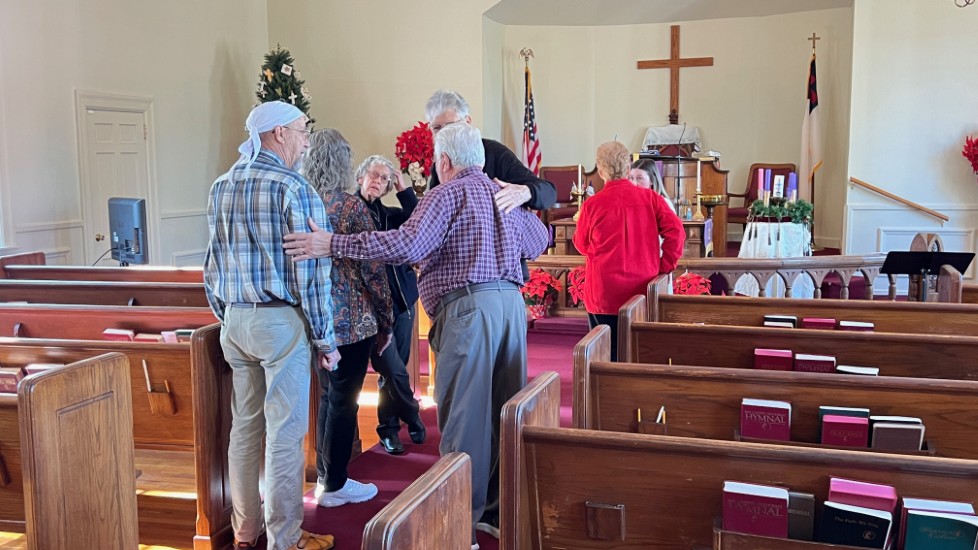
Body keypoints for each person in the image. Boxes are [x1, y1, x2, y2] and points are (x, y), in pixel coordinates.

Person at [282, 124, 550, 550]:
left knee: (464, 422)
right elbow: (540, 241)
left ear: (444, 161)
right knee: (502, 413)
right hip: (511, 310)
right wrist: (514, 205)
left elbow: (407, 245)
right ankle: (494, 515)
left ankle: (458, 530)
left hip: (470, 310)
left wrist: (333, 243)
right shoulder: (502, 193)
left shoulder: (447, 193)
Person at [203, 101, 337, 550]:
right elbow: (311, 272)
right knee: (284, 434)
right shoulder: (293, 187)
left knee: (244, 430)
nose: (306, 141)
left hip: (236, 320)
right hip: (279, 321)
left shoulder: (221, 185)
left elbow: (211, 264)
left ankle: (245, 533)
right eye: (302, 131)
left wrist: (228, 316)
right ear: (279, 133)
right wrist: (325, 338)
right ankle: (286, 538)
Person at [303, 129, 392, 508]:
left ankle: (327, 477)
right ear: (344, 163)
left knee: (328, 397)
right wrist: (387, 320)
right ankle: (335, 484)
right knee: (344, 401)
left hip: (314, 318)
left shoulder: (300, 200)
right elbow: (373, 269)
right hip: (352, 322)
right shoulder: (350, 207)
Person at [573, 141, 685, 361]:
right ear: (627, 169)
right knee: (639, 353)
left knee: (605, 355)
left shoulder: (592, 205)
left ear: (601, 171)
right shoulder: (651, 199)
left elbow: (581, 244)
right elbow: (677, 233)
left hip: (604, 292)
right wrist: (664, 266)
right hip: (641, 287)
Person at [354, 154, 426, 455]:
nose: (378, 181)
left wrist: (402, 187)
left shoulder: (392, 215)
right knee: (393, 369)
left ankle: (389, 430)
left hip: (402, 305)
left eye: (384, 178)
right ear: (360, 177)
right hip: (368, 310)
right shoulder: (348, 213)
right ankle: (412, 414)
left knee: (393, 373)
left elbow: (421, 219)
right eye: (374, 175)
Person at [425, 89, 556, 213]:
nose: (443, 134)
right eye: (436, 128)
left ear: (467, 122)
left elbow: (548, 192)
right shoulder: (441, 162)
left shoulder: (494, 152)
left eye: (451, 126)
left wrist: (525, 192)